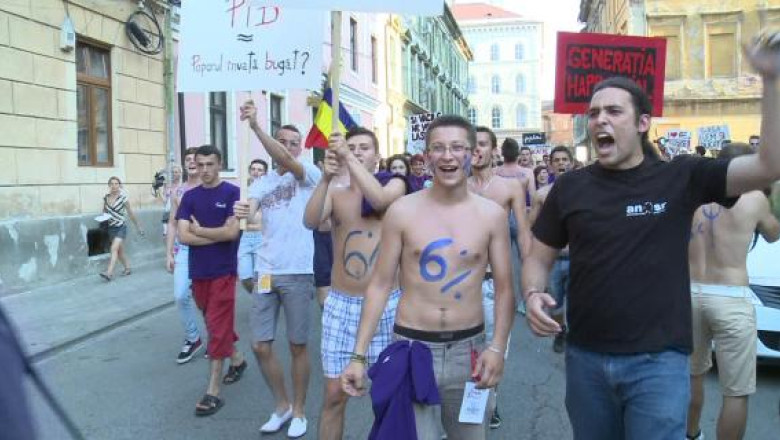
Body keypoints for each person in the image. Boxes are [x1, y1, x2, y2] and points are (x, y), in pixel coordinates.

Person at [521, 38, 780, 440]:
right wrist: (534, 292)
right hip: (585, 360)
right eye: (593, 114)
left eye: (613, 111)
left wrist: (772, 79)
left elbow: (769, 167)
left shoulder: (682, 176)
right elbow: (538, 258)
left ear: (643, 123)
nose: (599, 121)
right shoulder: (569, 187)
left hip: (658, 364)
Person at [341, 115, 515, 439]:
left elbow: (505, 289)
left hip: (470, 354)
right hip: (413, 351)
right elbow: (379, 285)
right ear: (426, 155)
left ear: (471, 154)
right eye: (439, 148)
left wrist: (496, 348)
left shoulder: (491, 216)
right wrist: (358, 355)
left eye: (457, 147)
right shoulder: (402, 211)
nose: (448, 156)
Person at [304, 127, 407, 440]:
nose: (358, 151)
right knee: (334, 395)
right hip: (341, 304)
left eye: (364, 147)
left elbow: (378, 202)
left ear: (377, 155)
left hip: (387, 305)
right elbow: (310, 221)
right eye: (351, 147)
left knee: (388, 397)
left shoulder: (395, 183)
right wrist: (324, 178)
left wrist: (348, 158)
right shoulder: (335, 190)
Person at [235, 100, 321, 438]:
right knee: (260, 345)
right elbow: (252, 213)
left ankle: (299, 411)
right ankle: (282, 405)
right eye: (281, 141)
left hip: (298, 270)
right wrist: (245, 209)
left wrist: (255, 126)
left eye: (292, 142)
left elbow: (286, 162)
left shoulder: (308, 173)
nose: (286, 148)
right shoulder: (261, 182)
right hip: (266, 271)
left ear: (300, 147)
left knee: (298, 345)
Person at [686, 143, 780, 440]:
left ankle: (690, 435)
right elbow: (774, 232)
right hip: (731, 297)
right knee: (736, 390)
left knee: (693, 374)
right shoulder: (754, 199)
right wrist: (771, 186)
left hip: (690, 293)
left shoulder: (691, 197)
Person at [176, 144, 246, 417]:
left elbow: (231, 234)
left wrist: (200, 230)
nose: (204, 170)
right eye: (200, 164)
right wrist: (212, 234)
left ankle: (213, 390)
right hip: (199, 272)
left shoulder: (233, 193)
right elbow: (183, 236)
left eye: (210, 164)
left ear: (220, 165)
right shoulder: (190, 197)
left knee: (216, 328)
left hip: (224, 271)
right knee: (214, 321)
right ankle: (237, 360)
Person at [468, 126, 530, 429]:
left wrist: (531, 285)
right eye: (471, 144)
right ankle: (473, 410)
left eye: (482, 143)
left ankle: (489, 403)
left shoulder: (510, 188)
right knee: (464, 355)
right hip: (462, 286)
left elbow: (525, 238)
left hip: (495, 285)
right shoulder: (457, 187)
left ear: (493, 150)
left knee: (493, 352)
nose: (476, 149)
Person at [528, 146, 573, 354]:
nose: (561, 163)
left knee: (579, 302)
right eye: (557, 160)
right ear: (551, 164)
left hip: (578, 258)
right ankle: (560, 330)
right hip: (553, 259)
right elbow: (531, 226)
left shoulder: (583, 192)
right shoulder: (541, 194)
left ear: (571, 163)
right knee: (555, 303)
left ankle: (578, 335)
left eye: (565, 159)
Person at [165, 147, 204, 364]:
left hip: (206, 248)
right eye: (187, 159)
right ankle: (193, 337)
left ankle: (217, 338)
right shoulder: (177, 192)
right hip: (184, 249)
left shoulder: (209, 189)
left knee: (205, 299)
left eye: (194, 159)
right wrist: (168, 252)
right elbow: (172, 223)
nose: (190, 162)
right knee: (181, 295)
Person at [99, 176, 144, 281]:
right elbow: (104, 212)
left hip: (121, 227)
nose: (114, 186)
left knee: (113, 248)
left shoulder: (123, 198)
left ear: (119, 185)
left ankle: (109, 272)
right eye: (112, 184)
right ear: (109, 186)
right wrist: (102, 217)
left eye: (116, 184)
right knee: (119, 252)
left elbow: (131, 214)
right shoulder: (106, 198)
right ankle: (127, 268)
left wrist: (138, 226)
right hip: (111, 228)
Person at [238, 159, 268, 294]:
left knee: (263, 277)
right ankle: (259, 298)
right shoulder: (244, 191)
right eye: (253, 169)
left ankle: (267, 301)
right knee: (245, 277)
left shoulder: (268, 191)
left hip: (262, 237)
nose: (256, 172)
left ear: (265, 173)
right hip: (246, 236)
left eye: (260, 170)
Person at [161, 164, 182, 237]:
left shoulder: (182, 186)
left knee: (177, 237)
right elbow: (165, 201)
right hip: (168, 214)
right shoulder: (168, 186)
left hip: (178, 215)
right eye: (173, 172)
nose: (174, 174)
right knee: (167, 236)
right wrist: (161, 190)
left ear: (180, 173)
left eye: (176, 172)